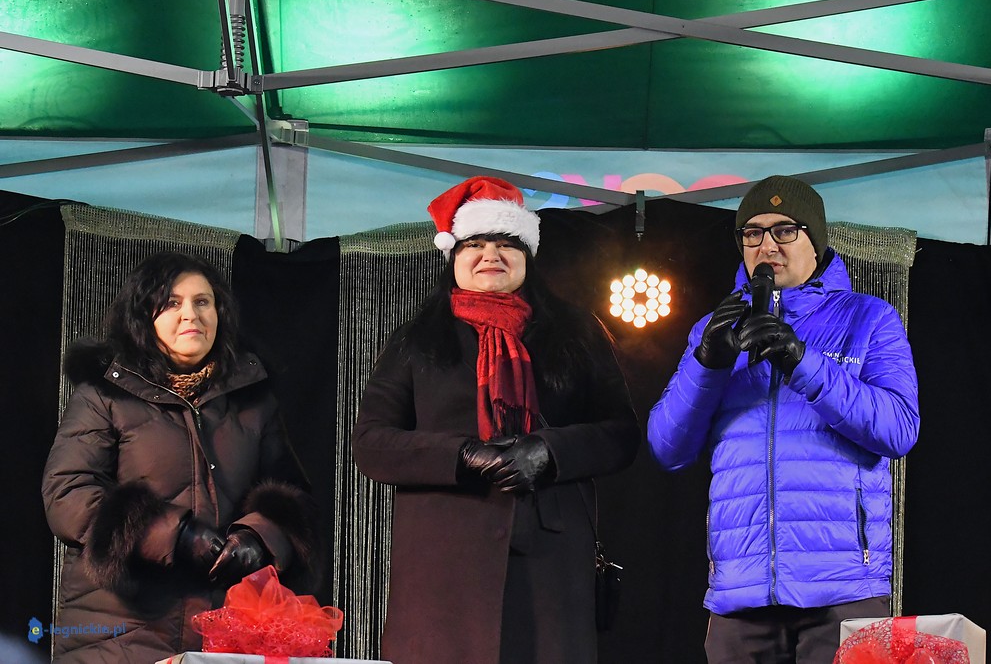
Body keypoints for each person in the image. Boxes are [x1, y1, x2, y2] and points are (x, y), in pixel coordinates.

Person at [351, 176, 640, 664]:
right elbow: (371, 442)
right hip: (444, 566)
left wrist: (548, 451)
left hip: (550, 563)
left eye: (506, 243)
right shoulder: (417, 339)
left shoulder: (576, 332)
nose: (491, 254)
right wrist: (463, 455)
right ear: (453, 256)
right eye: (475, 244)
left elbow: (621, 433)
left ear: (527, 256)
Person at [647, 175, 920, 664]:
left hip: (843, 590)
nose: (767, 245)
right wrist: (706, 364)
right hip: (740, 594)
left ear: (816, 241)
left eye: (785, 230)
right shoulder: (712, 329)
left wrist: (802, 362)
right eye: (752, 233)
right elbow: (668, 449)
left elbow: (898, 429)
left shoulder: (869, 318)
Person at [42, 251, 318, 663]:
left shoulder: (255, 401)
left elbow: (291, 495)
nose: (191, 314)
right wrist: (175, 534)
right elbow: (67, 492)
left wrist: (259, 538)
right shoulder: (103, 394)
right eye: (172, 303)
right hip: (119, 633)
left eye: (203, 301)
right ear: (143, 316)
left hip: (223, 632)